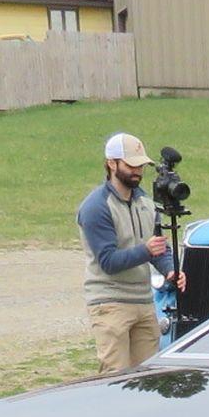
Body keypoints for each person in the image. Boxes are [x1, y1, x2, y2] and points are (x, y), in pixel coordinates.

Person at [77, 132, 181, 375]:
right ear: (111, 164)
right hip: (110, 304)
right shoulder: (96, 208)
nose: (138, 171)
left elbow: (158, 248)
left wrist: (170, 270)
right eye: (131, 165)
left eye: (141, 166)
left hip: (144, 302)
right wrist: (146, 250)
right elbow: (108, 262)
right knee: (115, 377)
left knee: (149, 377)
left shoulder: (145, 203)